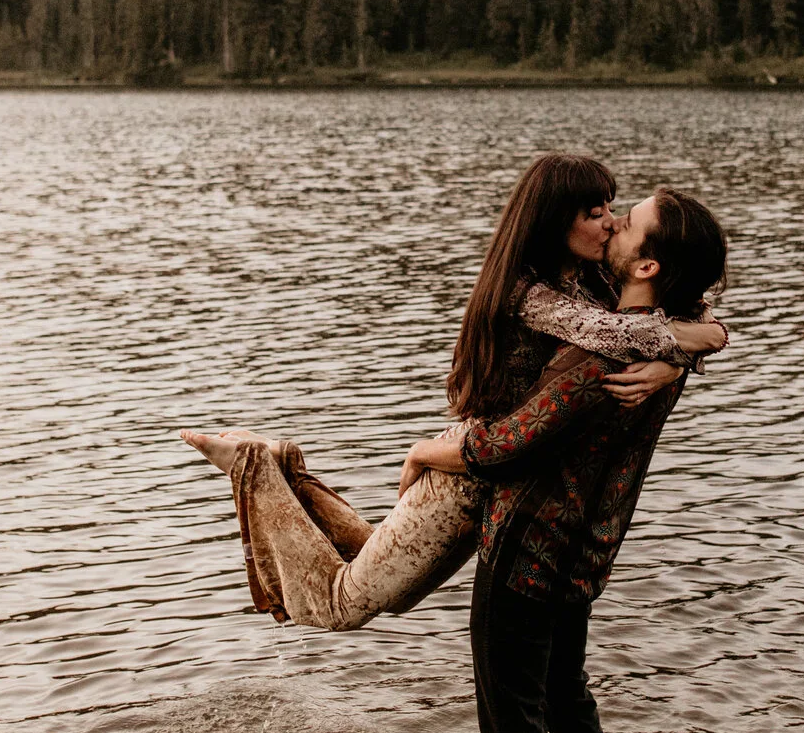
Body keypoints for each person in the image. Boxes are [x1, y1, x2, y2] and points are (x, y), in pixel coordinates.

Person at [181, 153, 727, 632]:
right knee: (343, 602)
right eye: (596, 213)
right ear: (554, 222)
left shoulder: (591, 279)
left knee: (375, 562)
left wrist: (685, 357)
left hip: (492, 472)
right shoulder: (527, 294)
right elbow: (615, 336)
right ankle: (252, 463)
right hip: (464, 472)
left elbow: (679, 308)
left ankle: (287, 467)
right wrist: (691, 349)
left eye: (612, 210)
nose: (611, 224)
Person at [400, 187, 727, 733]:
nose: (615, 222)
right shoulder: (652, 344)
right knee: (563, 689)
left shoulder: (600, 359)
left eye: (629, 221)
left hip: (527, 548)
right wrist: (690, 347)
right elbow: (704, 316)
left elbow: (507, 444)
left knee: (508, 713)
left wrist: (423, 450)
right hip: (589, 553)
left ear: (647, 267)